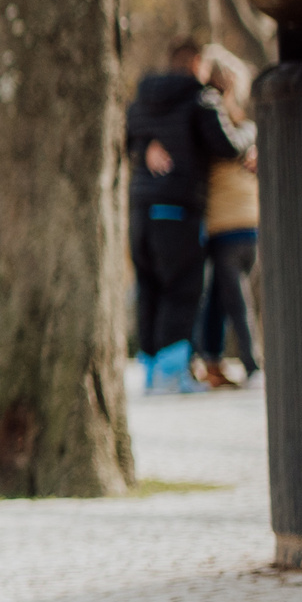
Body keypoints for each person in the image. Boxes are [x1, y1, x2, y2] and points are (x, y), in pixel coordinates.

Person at [126, 38, 242, 394]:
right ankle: (171, 374)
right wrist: (248, 134)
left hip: (140, 213)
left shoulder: (141, 100)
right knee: (183, 287)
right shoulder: (201, 99)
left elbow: (127, 140)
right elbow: (228, 145)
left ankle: (149, 370)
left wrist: (148, 146)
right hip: (179, 210)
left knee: (149, 288)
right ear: (195, 63)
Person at [193, 47, 261, 391]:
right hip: (245, 225)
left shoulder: (225, 132)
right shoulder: (245, 131)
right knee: (225, 297)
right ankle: (215, 360)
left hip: (228, 227)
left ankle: (251, 363)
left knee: (232, 298)